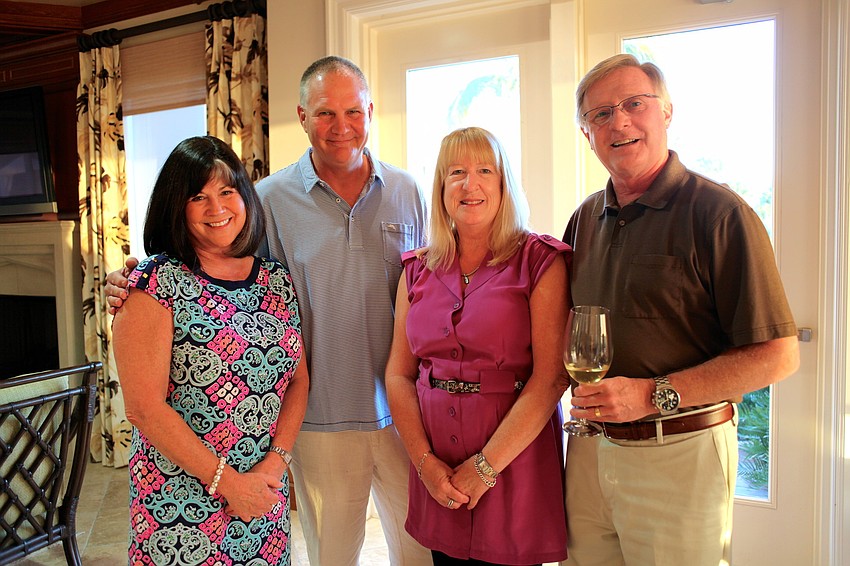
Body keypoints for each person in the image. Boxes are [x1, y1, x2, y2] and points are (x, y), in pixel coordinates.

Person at [107, 56, 431, 566]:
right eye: (325, 113)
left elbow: (430, 288)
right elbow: (209, 273)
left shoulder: (410, 192)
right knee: (333, 555)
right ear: (301, 117)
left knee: (421, 552)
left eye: (353, 111)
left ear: (371, 111)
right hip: (319, 424)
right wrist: (133, 281)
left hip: (404, 415)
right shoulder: (268, 199)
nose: (341, 127)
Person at [561, 53, 800, 566]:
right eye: (600, 114)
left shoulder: (720, 214)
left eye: (633, 104)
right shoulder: (583, 220)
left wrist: (654, 395)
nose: (618, 121)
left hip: (679, 455)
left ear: (666, 111)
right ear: (587, 134)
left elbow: (778, 355)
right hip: (587, 455)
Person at [112, 136, 309, 565]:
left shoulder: (276, 280)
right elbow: (144, 408)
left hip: (262, 493)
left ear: (245, 196)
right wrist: (227, 483)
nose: (216, 208)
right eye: (197, 196)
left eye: (226, 191)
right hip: (181, 503)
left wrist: (272, 468)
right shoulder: (154, 282)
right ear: (176, 207)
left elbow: (298, 380)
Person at [386, 126, 570, 566]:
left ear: (503, 183)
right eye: (457, 172)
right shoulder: (416, 270)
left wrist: (484, 468)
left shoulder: (541, 260)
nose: (471, 184)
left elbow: (550, 379)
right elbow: (398, 373)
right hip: (437, 464)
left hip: (514, 461)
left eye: (485, 170)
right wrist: (425, 463)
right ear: (442, 187)